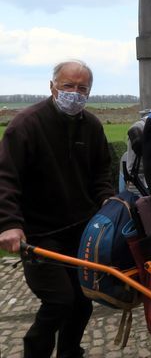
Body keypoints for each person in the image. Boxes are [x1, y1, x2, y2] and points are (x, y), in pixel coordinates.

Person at [0, 59, 114, 358]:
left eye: (82, 88)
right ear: (52, 87)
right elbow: (5, 178)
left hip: (82, 231)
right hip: (40, 232)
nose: (74, 93)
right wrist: (9, 223)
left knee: (83, 300)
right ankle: (35, 353)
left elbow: (101, 171)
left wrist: (106, 200)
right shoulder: (26, 125)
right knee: (59, 300)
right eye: (68, 86)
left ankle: (69, 352)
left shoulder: (91, 125)